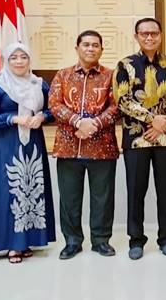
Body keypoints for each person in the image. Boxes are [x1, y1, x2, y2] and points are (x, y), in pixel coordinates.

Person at [0, 43, 56, 263]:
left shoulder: (39, 84)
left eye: (24, 57)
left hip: (33, 142)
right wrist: (14, 118)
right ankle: (12, 244)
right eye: (14, 58)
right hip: (4, 145)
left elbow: (52, 109)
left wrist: (42, 117)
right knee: (8, 190)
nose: (19, 61)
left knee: (32, 188)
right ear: (7, 61)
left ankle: (28, 240)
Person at [113, 17, 166, 260]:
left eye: (154, 33)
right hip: (136, 138)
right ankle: (136, 240)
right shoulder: (125, 65)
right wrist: (151, 120)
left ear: (161, 35)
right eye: (144, 34)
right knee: (136, 190)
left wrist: (162, 122)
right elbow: (122, 100)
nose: (149, 37)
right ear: (136, 37)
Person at [49, 30, 120, 260]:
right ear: (77, 47)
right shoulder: (63, 75)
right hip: (69, 147)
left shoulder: (111, 76)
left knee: (103, 197)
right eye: (86, 44)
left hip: (102, 147)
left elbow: (117, 106)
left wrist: (95, 124)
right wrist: (78, 121)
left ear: (101, 49)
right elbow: (54, 104)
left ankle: (101, 240)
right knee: (69, 198)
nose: (90, 49)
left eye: (95, 45)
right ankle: (72, 241)